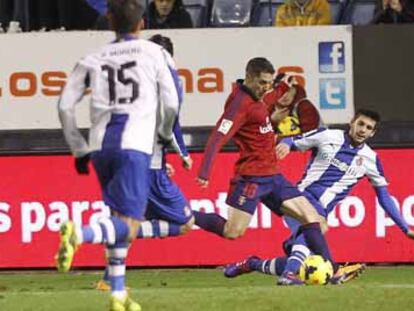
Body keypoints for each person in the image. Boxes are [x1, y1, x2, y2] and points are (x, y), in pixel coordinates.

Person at [55, 1, 179, 310]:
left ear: (109, 20)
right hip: (134, 144)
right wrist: (164, 134)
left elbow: (64, 104)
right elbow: (172, 102)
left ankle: (118, 291)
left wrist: (78, 147)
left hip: (99, 146)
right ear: (143, 22)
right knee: (131, 224)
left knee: (119, 216)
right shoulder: (155, 53)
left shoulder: (93, 58)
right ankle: (80, 233)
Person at [193, 57, 339, 285]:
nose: (265, 88)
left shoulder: (258, 96)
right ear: (249, 77)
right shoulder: (239, 104)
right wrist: (204, 170)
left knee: (313, 218)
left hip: (274, 176)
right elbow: (218, 135)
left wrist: (280, 92)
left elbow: (263, 116)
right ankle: (183, 214)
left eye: (269, 83)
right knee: (232, 231)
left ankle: (332, 270)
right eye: (262, 82)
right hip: (252, 178)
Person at [224, 109, 414, 284]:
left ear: (372, 133)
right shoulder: (328, 135)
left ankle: (253, 264)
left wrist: (404, 228)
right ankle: (290, 275)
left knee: (308, 262)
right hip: (300, 199)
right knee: (319, 225)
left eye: (369, 128)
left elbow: (384, 197)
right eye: (361, 124)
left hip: (320, 209)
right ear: (352, 123)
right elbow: (293, 140)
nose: (363, 130)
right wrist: (285, 143)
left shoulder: (371, 159)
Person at [94, 34, 195, 291]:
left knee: (126, 220)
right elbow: (170, 124)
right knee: (185, 224)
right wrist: (180, 154)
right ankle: (102, 232)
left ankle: (108, 280)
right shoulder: (163, 81)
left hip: (125, 161)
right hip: (149, 171)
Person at [265, 73, 322, 139]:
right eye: (281, 91)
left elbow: (311, 136)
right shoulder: (268, 108)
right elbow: (260, 137)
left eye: (288, 91)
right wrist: (272, 122)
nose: (285, 96)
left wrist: (284, 140)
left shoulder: (304, 106)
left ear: (295, 90)